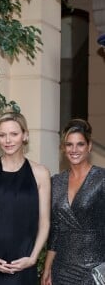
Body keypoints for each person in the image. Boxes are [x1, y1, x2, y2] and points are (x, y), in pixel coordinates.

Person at [0, 111, 51, 285]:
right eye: (2, 135)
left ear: (25, 135)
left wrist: (33, 258)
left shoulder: (40, 173)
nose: (8, 140)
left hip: (23, 264)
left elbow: (44, 223)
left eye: (14, 134)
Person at [41, 119, 105, 285]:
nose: (74, 150)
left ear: (89, 146)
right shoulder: (55, 182)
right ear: (63, 148)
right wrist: (47, 267)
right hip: (62, 268)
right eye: (69, 145)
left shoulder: (102, 178)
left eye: (80, 144)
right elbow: (55, 228)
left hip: (95, 268)